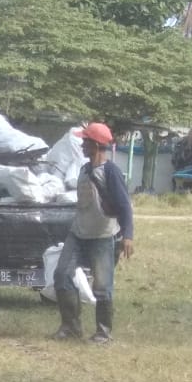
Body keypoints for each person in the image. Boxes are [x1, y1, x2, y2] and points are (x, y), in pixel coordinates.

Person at [52, 122, 134, 344]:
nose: (82, 144)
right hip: (78, 234)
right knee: (61, 275)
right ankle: (71, 326)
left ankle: (103, 333)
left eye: (86, 141)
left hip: (103, 238)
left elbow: (125, 206)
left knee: (102, 287)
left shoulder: (111, 173)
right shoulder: (84, 170)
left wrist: (128, 235)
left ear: (96, 145)